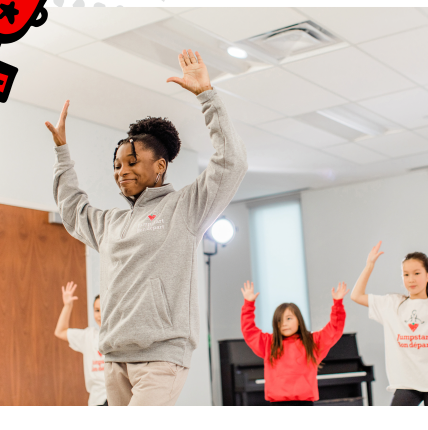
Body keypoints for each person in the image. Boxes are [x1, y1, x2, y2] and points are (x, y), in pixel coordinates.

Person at [46, 49, 248, 406]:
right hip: (115, 355)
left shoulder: (185, 208)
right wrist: (63, 154)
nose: (121, 170)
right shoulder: (111, 222)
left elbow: (231, 163)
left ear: (159, 166)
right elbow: (74, 210)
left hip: (161, 355)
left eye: (132, 161)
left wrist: (207, 96)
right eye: (117, 164)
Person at [351, 239, 428, 406]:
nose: (411, 279)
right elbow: (356, 295)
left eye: (416, 273)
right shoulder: (393, 304)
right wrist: (369, 265)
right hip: (407, 383)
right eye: (406, 274)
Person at [239, 281, 347, 406]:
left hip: (304, 403)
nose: (284, 323)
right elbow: (249, 331)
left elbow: (334, 328)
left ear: (299, 321)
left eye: (289, 318)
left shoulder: (312, 342)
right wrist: (248, 304)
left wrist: (337, 304)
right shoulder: (269, 343)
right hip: (278, 403)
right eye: (279, 320)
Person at [54, 281, 107, 406]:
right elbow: (60, 331)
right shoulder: (88, 336)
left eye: (103, 310)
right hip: (96, 400)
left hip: (117, 399)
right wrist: (68, 306)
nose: (100, 315)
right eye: (97, 310)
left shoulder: (119, 337)